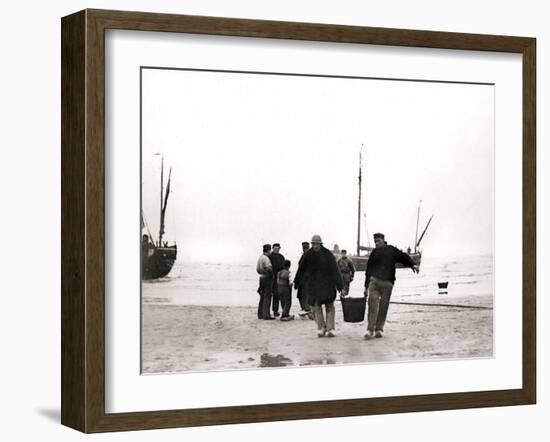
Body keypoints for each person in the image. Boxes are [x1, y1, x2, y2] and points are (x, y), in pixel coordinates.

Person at [364, 232, 419, 339]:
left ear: (383, 241)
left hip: (387, 283)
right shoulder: (374, 253)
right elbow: (368, 270)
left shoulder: (392, 250)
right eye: (375, 241)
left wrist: (413, 264)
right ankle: (370, 330)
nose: (376, 243)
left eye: (378, 241)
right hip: (374, 282)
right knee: (372, 306)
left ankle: (379, 329)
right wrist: (366, 287)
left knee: (383, 307)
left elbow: (404, 257)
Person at [295, 234, 343, 337]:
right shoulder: (308, 255)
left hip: (328, 285)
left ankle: (331, 329)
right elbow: (301, 269)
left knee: (329, 306)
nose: (315, 246)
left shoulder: (328, 254)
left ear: (320, 244)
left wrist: (340, 286)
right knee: (316, 307)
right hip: (314, 286)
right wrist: (296, 282)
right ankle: (321, 328)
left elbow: (335, 270)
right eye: (313, 244)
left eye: (317, 244)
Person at [256, 244, 275, 320]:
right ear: (268, 250)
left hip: (261, 277)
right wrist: (272, 275)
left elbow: (257, 269)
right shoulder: (266, 259)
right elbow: (269, 268)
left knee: (262, 296)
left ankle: (260, 314)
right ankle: (266, 315)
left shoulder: (260, 258)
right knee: (267, 296)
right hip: (267, 278)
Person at [296, 241, 312, 317]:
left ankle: (307, 310)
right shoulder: (309, 255)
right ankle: (306, 310)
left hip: (304, 279)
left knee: (303, 295)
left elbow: (300, 269)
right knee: (303, 295)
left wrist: (296, 280)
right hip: (306, 279)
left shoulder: (306, 256)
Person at [269, 243, 285, 317]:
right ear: (273, 248)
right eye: (275, 248)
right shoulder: (270, 256)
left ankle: (276, 311)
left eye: (277, 248)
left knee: (278, 294)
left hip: (280, 277)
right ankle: (274, 310)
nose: (276, 249)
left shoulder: (281, 257)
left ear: (279, 248)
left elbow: (284, 267)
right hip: (272, 277)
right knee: (272, 294)